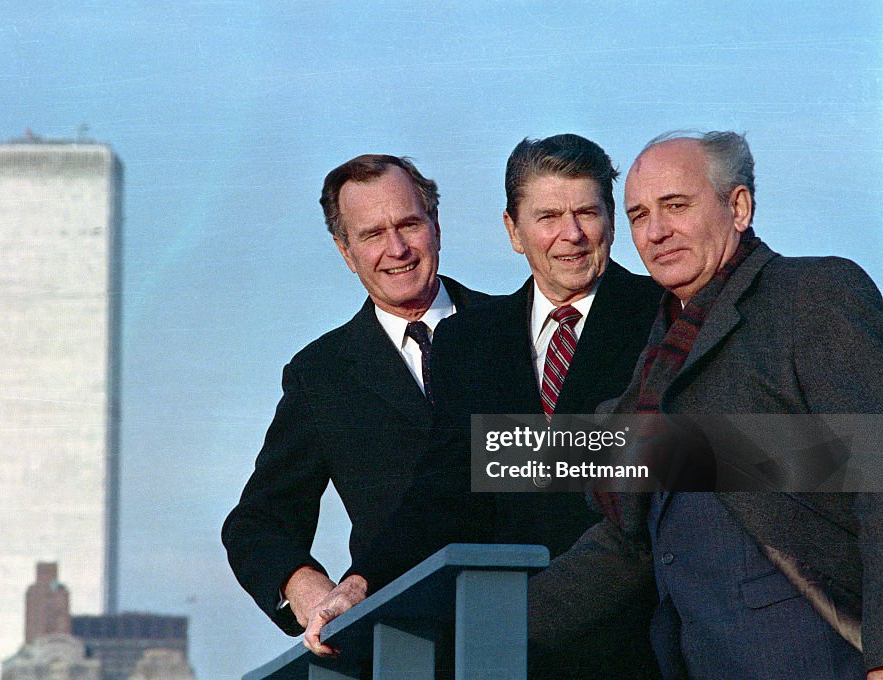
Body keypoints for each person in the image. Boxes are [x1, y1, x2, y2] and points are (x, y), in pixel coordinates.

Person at [302, 135, 664, 677]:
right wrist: (359, 585)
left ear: (611, 220)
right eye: (548, 216)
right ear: (513, 231)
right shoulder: (469, 341)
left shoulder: (664, 317)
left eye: (587, 211)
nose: (572, 234)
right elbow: (444, 490)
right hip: (502, 650)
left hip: (639, 646)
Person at [541, 130, 882, 679]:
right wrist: (472, 627)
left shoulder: (812, 295)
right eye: (637, 215)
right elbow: (629, 539)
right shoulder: (655, 364)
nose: (655, 231)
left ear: (739, 206)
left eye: (676, 206)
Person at [222, 155, 488, 635]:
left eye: (409, 224)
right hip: (402, 640)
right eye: (372, 235)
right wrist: (312, 592)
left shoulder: (516, 328)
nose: (398, 249)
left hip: (536, 624)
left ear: (437, 226)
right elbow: (258, 523)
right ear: (346, 252)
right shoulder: (320, 375)